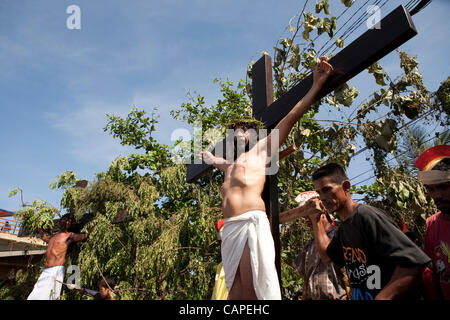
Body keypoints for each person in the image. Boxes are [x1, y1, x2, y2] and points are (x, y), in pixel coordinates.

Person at [199, 57, 334, 300]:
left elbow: (291, 116)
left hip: (250, 221)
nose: (239, 134)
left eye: (244, 130)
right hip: (229, 228)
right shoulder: (229, 165)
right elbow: (216, 162)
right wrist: (207, 156)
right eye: (235, 131)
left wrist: (316, 85)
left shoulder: (261, 151)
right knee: (235, 291)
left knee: (253, 289)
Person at [307, 163, 431, 300]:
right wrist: (316, 221)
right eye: (319, 193)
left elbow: (414, 262)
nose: (322, 198)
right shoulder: (344, 228)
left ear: (346, 186)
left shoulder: (366, 216)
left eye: (327, 189)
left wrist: (382, 297)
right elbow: (326, 256)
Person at [414, 145, 450, 300]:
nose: (437, 196)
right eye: (431, 189)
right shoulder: (431, 225)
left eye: (443, 187)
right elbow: (434, 276)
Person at [27, 214, 89, 300]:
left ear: (70, 225)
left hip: (56, 270)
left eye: (69, 222)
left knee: (51, 296)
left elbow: (84, 236)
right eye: (65, 220)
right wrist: (39, 228)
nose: (66, 222)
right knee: (35, 295)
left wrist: (94, 228)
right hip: (46, 270)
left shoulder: (70, 236)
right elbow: (44, 237)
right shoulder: (53, 236)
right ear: (60, 222)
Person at [293, 212, 349, 300]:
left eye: (309, 215)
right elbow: (301, 271)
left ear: (324, 214)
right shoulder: (310, 245)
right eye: (305, 217)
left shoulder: (340, 237)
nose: (307, 220)